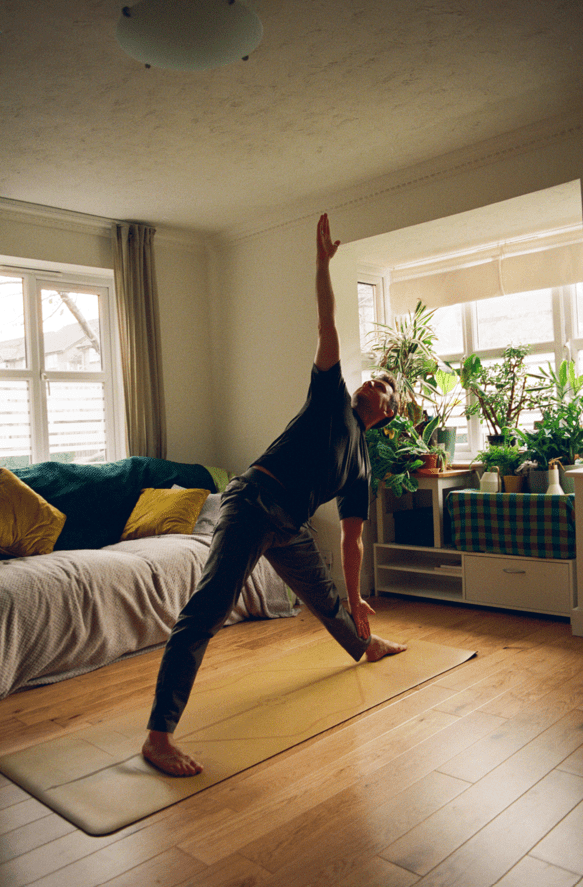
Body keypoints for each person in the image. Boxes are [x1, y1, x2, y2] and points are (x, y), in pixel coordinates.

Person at [142, 213, 407, 776]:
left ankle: (366, 644)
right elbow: (327, 323)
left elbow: (353, 540)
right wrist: (322, 265)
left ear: (388, 413)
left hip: (289, 525)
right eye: (373, 377)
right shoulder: (330, 396)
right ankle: (158, 735)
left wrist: (357, 598)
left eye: (384, 387)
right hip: (252, 502)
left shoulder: (362, 464)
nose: (372, 382)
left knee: (328, 601)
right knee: (207, 611)